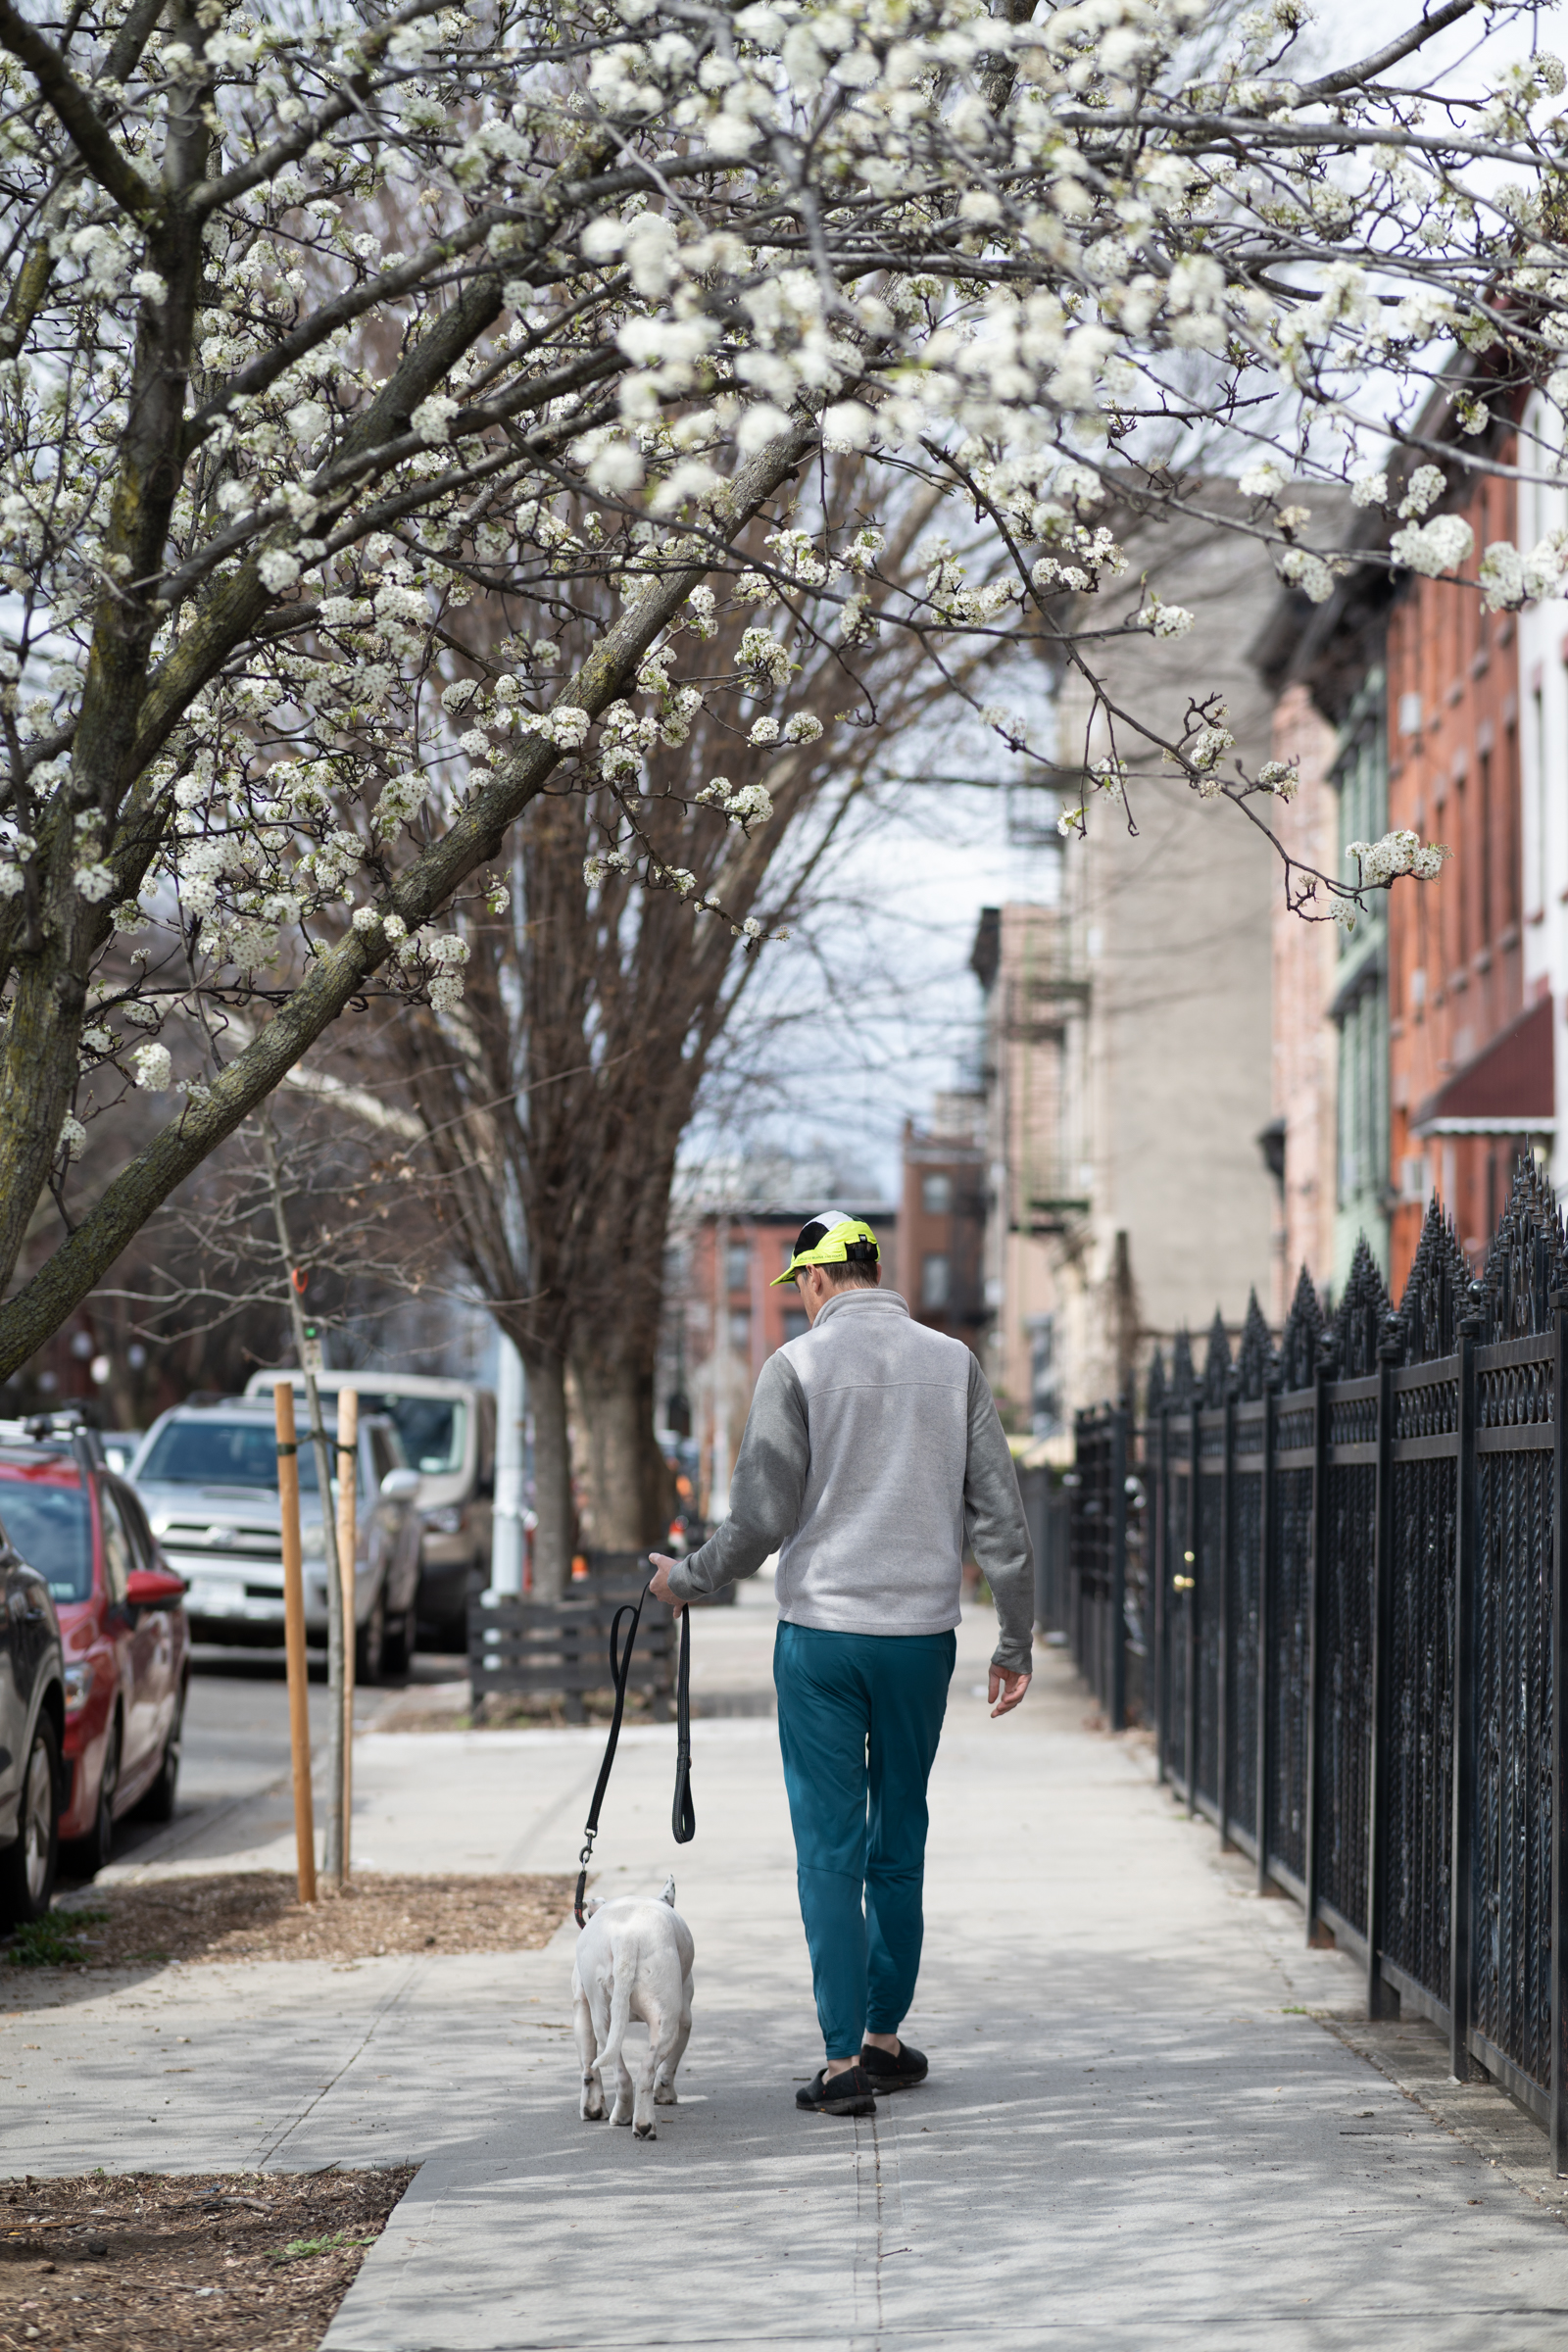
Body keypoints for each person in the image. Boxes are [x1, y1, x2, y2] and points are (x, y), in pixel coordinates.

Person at [649, 1209, 1032, 2119]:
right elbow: (1002, 1522)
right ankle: (884, 2039)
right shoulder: (953, 1363)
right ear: (875, 1268)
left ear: (817, 1281)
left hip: (821, 1640)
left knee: (830, 1851)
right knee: (900, 1839)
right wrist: (1014, 1642)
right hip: (920, 1642)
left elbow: (757, 1521)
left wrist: (685, 1581)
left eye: (799, 1290)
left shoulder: (799, 1368)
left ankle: (839, 2062)